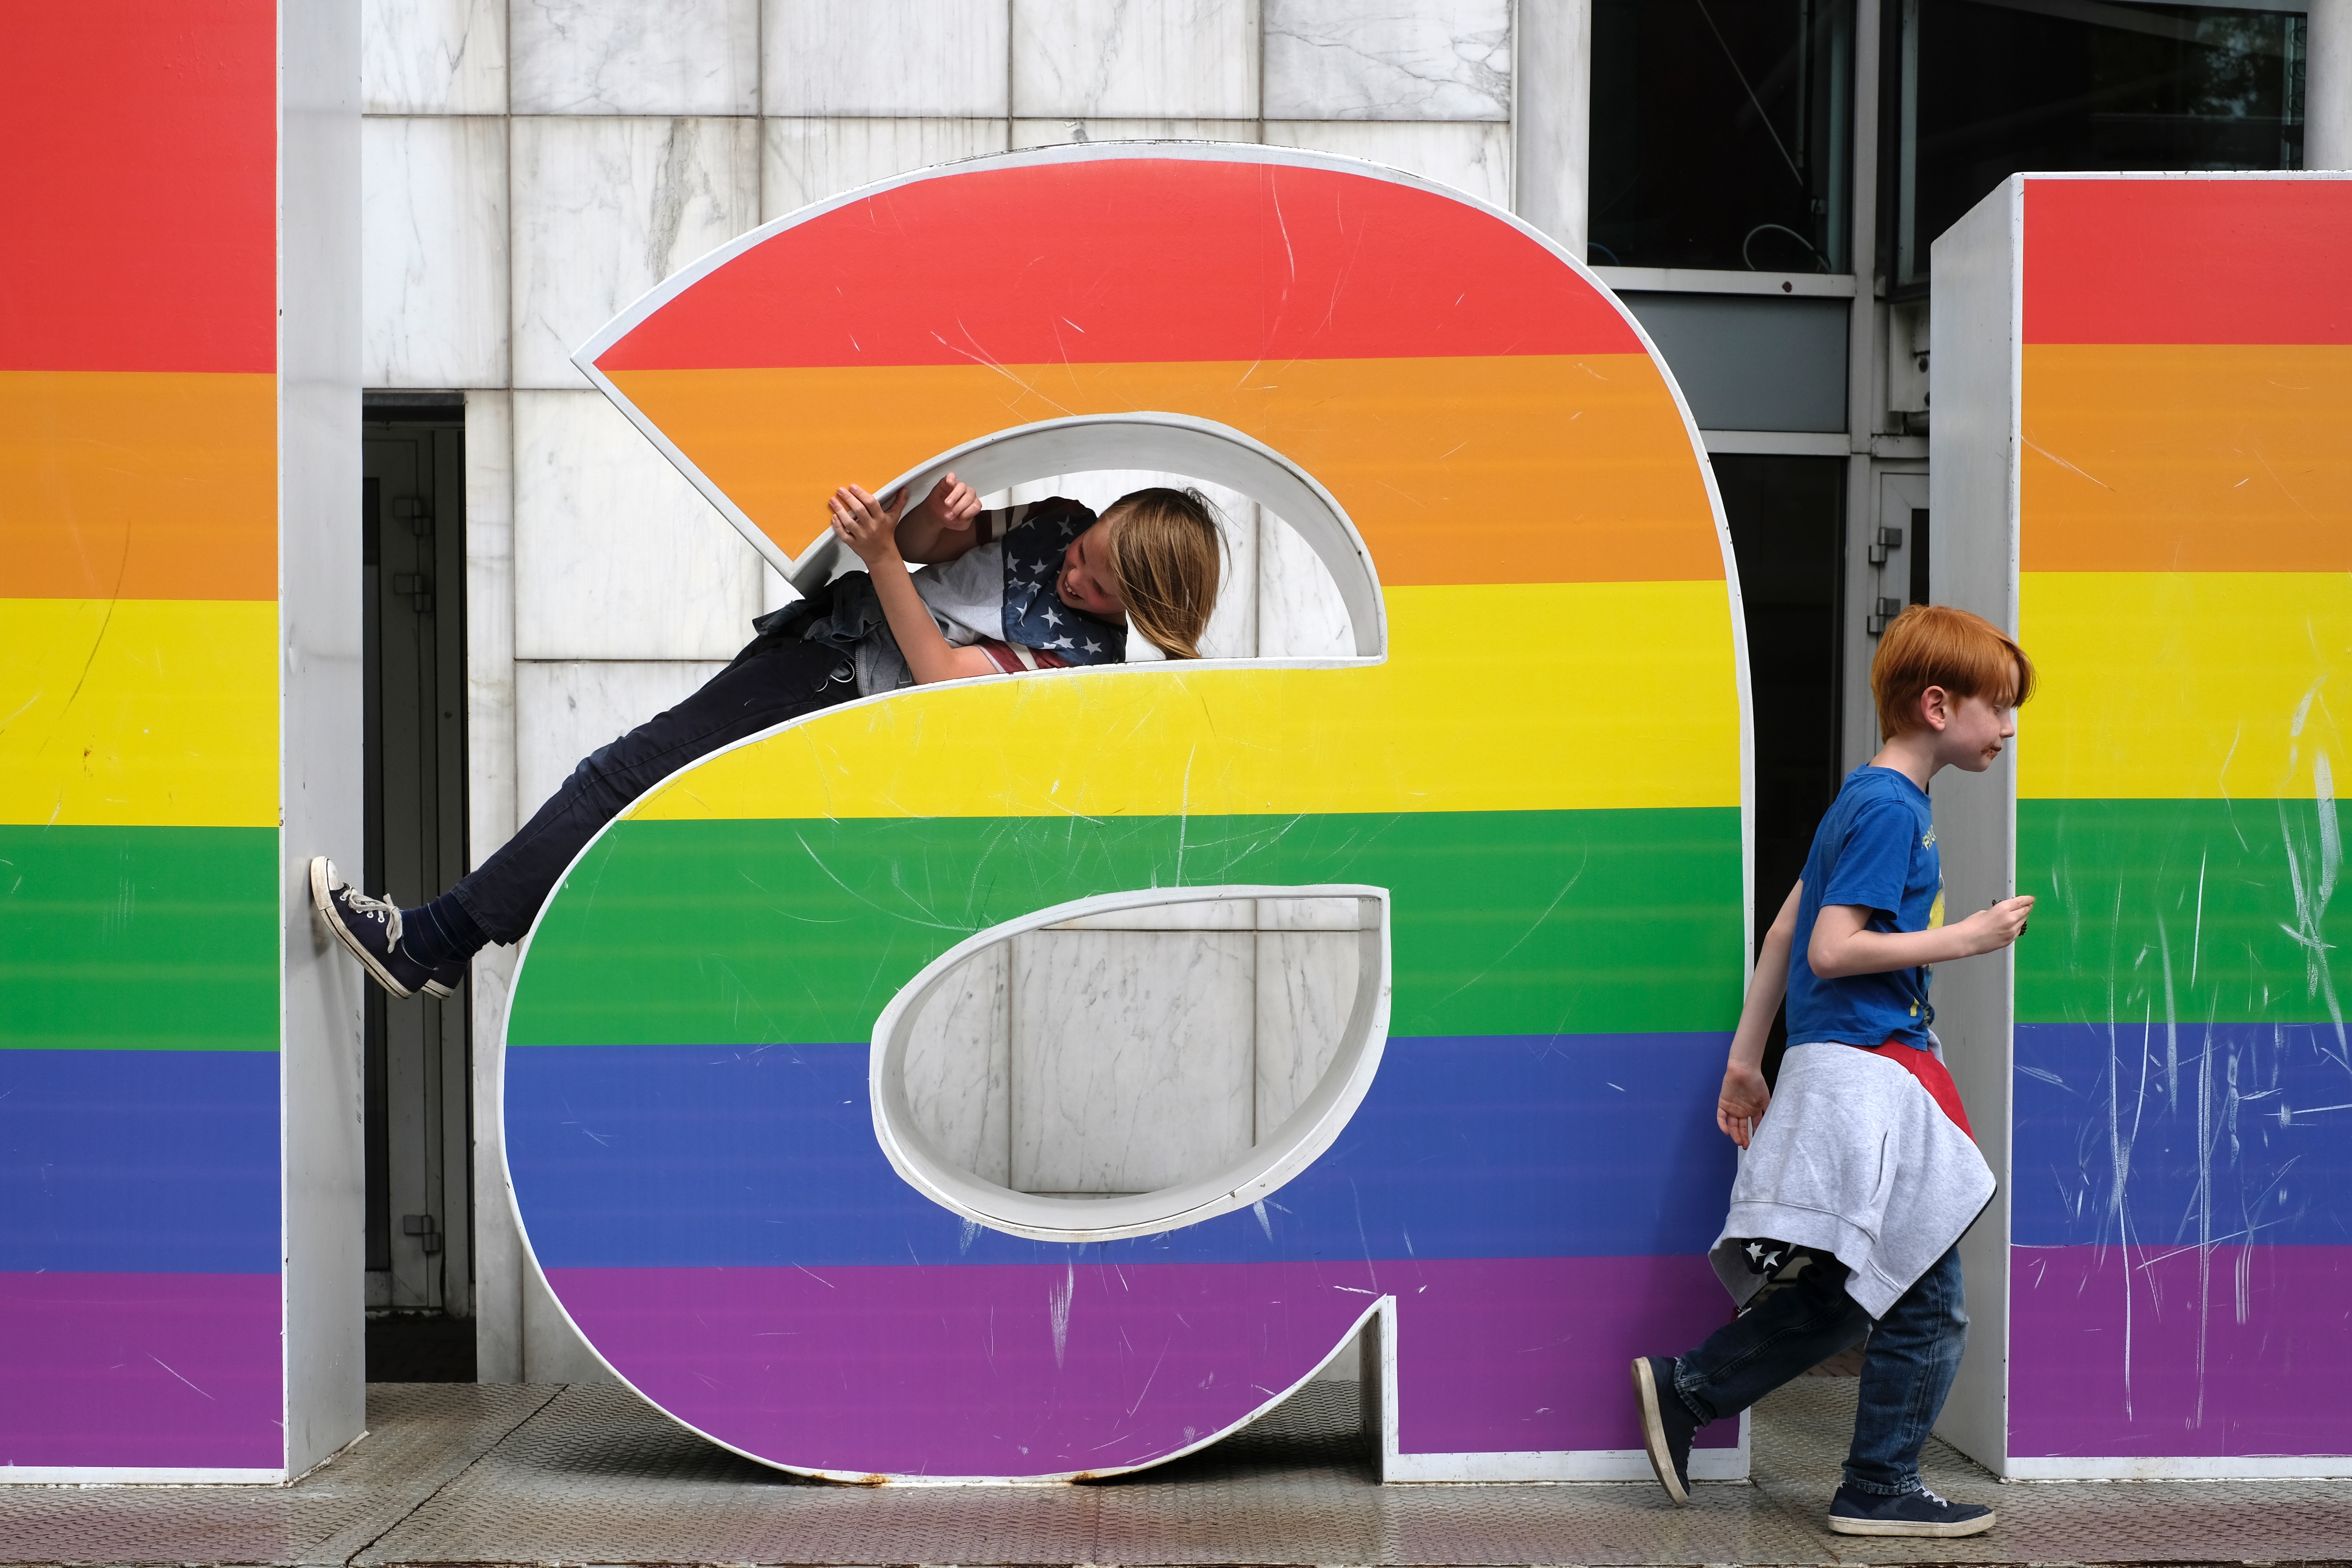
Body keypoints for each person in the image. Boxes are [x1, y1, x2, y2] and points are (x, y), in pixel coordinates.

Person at [310, 472, 1224, 999]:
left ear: (1139, 610)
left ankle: (436, 941)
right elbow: (927, 547)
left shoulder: (1083, 667)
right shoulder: (1060, 519)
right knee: (624, 787)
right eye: (1082, 554)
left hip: (838, 697)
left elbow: (946, 682)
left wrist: (881, 555)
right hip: (816, 646)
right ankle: (443, 941)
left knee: (618, 781)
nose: (1073, 572)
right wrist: (926, 527)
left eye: (1098, 585)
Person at [1631, 603, 2037, 1539]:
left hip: (1849, 1070)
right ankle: (1879, 1485)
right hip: (1869, 1074)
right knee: (1926, 1300)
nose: (2008, 728)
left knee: (1862, 1284)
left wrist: (1745, 1063)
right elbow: (1830, 948)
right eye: (1999, 707)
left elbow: (1785, 931)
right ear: (1938, 705)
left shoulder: (1867, 798)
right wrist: (1967, 938)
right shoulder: (1893, 807)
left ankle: (1691, 1390)